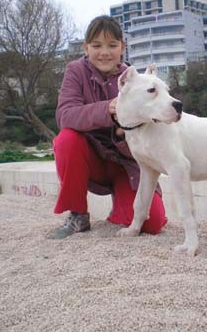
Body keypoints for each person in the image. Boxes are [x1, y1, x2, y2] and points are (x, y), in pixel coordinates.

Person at [48, 15, 168, 240]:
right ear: (86, 47)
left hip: (126, 163)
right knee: (66, 139)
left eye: (112, 45)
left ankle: (120, 206)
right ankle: (78, 215)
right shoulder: (75, 71)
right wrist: (109, 110)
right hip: (90, 158)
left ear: (122, 48)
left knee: (152, 223)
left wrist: (125, 130)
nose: (104, 52)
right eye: (96, 46)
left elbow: (150, 122)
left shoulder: (135, 78)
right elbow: (65, 115)